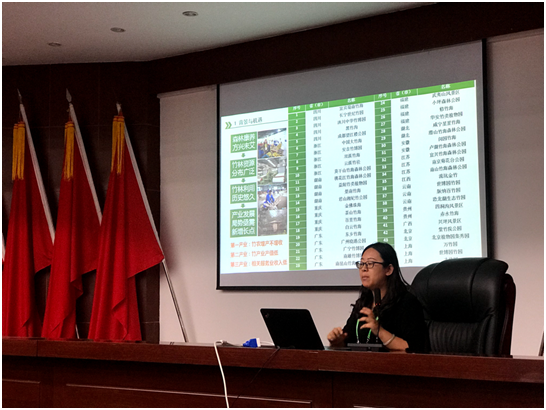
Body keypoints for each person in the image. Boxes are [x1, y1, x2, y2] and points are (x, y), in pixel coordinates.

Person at [327, 242, 428, 353]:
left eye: (370, 263)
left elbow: (415, 348)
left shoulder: (407, 303)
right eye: (362, 263)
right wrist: (337, 341)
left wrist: (379, 330)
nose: (364, 269)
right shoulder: (363, 303)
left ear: (388, 269)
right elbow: (348, 342)